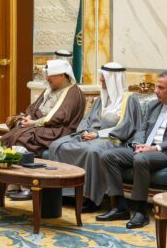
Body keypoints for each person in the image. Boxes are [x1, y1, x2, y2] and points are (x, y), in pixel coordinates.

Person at [96, 70, 167, 228]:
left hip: (166, 152)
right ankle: (120, 207)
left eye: (161, 88)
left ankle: (141, 211)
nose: (156, 91)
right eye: (156, 86)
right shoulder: (153, 105)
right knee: (108, 156)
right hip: (144, 149)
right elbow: (141, 129)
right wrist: (137, 144)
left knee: (141, 158)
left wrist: (155, 148)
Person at [47, 62, 140, 212]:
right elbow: (87, 119)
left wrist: (98, 134)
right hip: (90, 136)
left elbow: (127, 127)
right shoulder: (101, 98)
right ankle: (62, 193)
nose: (101, 80)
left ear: (114, 79)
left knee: (92, 151)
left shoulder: (129, 99)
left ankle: (90, 199)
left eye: (104, 77)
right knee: (58, 145)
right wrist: (84, 131)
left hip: (114, 140)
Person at [0, 58, 86, 200]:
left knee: (24, 140)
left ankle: (29, 186)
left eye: (50, 76)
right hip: (42, 126)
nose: (47, 79)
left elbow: (59, 118)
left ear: (62, 75)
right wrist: (28, 117)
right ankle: (13, 182)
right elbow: (35, 106)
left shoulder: (72, 93)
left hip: (60, 130)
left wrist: (34, 123)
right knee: (9, 137)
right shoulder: (51, 88)